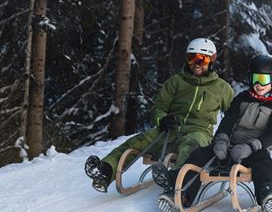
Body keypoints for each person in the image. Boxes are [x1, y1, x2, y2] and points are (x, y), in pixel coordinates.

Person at [84, 38, 234, 193]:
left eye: (202, 59)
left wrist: (227, 139)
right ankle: (105, 171)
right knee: (138, 141)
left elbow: (233, 116)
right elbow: (159, 107)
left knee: (190, 146)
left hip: (199, 133)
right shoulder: (175, 82)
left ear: (212, 61)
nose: (196, 64)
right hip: (170, 130)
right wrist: (162, 119)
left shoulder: (222, 88)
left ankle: (174, 182)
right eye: (192, 58)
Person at [152, 55, 272, 212]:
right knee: (198, 155)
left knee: (265, 165)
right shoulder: (242, 98)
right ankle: (179, 194)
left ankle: (268, 197)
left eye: (263, 80)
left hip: (253, 150)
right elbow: (228, 121)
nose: (258, 85)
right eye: (255, 78)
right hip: (229, 147)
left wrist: (251, 147)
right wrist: (221, 140)